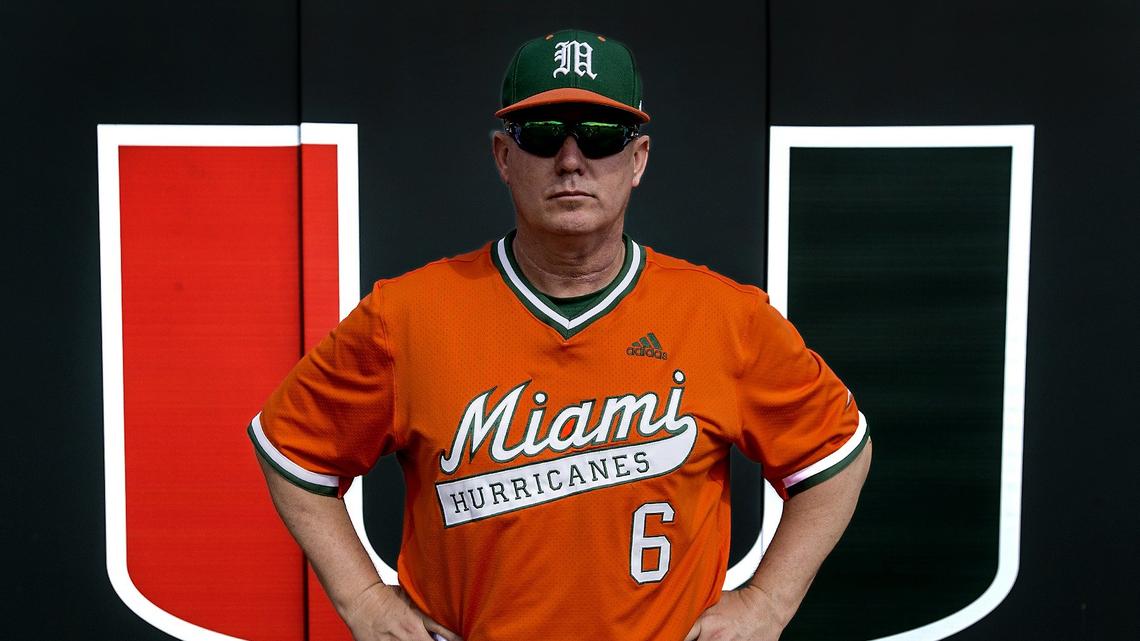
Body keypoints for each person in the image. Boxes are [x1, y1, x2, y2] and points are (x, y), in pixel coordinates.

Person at [250, 28, 871, 641]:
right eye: (544, 134)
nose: (571, 160)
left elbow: (836, 454)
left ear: (638, 159)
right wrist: (362, 600)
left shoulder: (725, 317)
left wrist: (767, 602)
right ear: (503, 156)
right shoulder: (406, 315)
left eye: (600, 135)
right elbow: (291, 448)